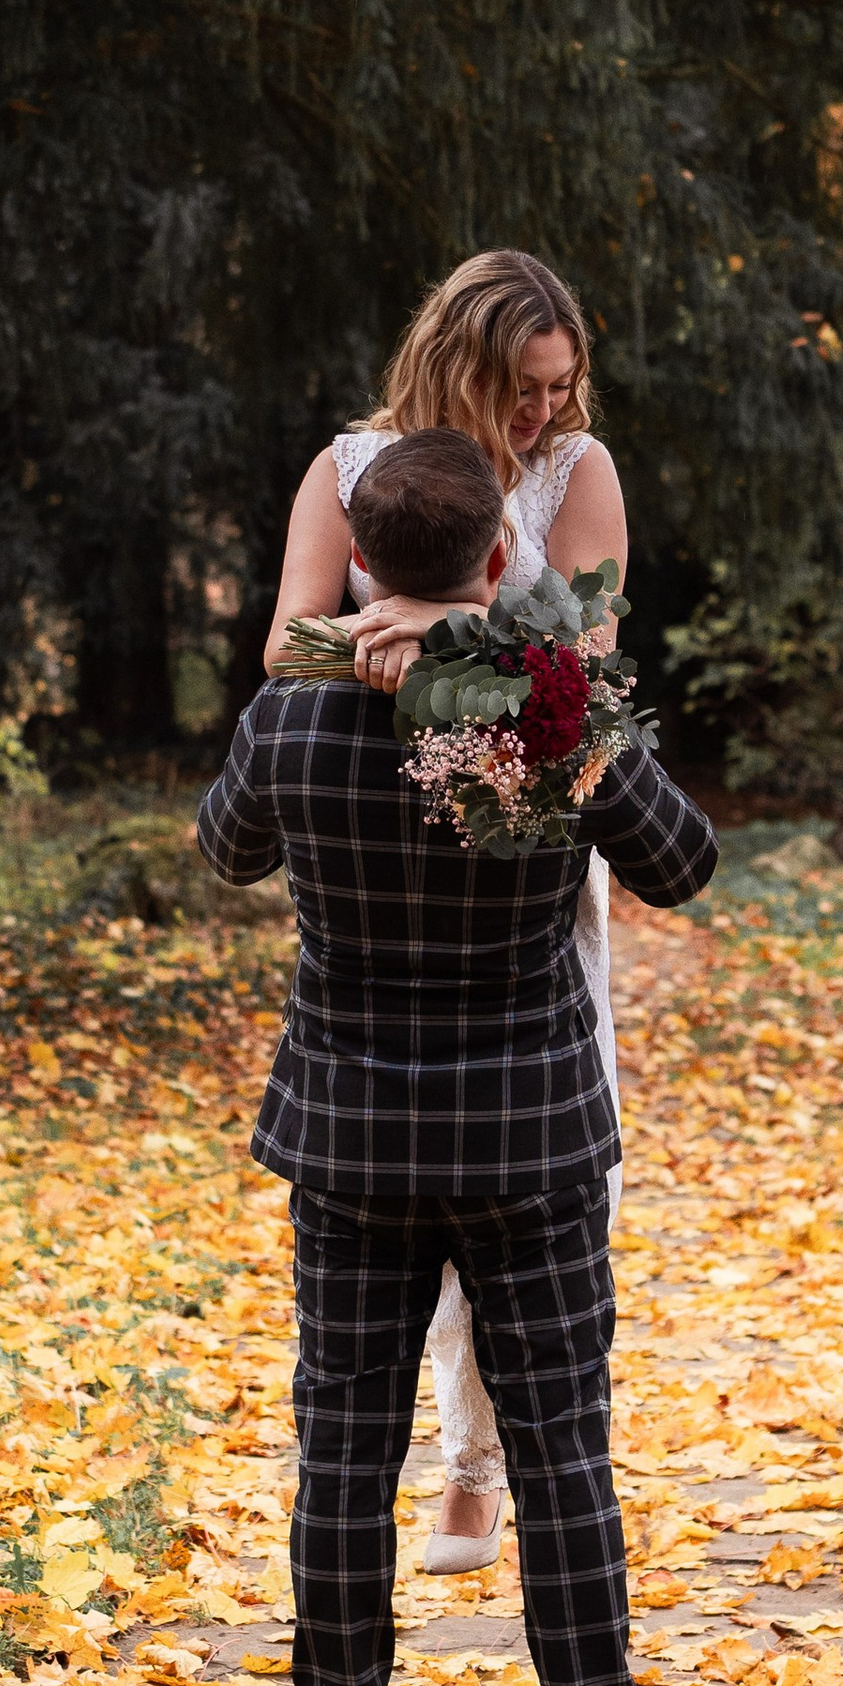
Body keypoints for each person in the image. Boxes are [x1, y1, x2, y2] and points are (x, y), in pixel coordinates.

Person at [202, 426, 719, 1686]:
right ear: (500, 560)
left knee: (346, 1448)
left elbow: (226, 849)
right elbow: (683, 861)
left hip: (352, 1137)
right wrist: (549, 685)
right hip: (529, 1141)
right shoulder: (549, 712)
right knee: (562, 1453)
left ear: (360, 564)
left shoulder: (293, 717)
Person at [267, 249, 626, 1575]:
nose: (544, 410)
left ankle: (490, 1461)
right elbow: (287, 638)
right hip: (375, 860)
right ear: (464, 360)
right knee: (396, 1160)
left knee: (534, 1160)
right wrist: (405, 629)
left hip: (524, 854)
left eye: (562, 384)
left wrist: (433, 642)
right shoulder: (351, 469)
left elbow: (583, 664)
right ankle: (430, 1440)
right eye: (525, 388)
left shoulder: (574, 476)